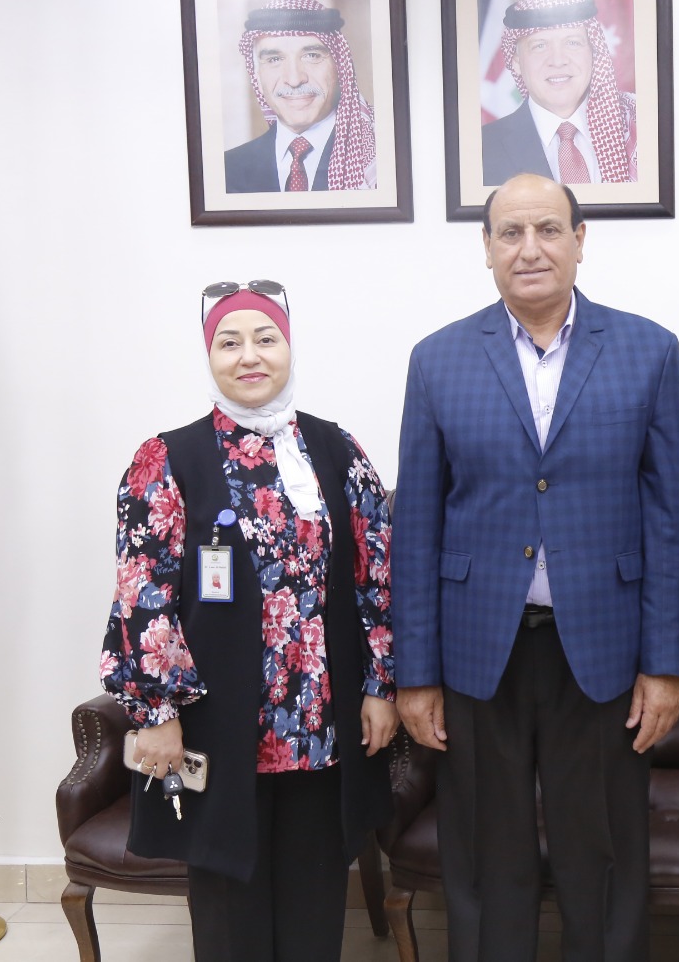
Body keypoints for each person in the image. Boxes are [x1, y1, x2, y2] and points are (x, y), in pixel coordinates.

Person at [392, 172, 679, 961]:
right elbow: (415, 526)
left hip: (603, 646)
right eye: (511, 233)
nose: (530, 249)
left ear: (580, 240)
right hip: (476, 650)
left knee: (604, 850)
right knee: (485, 852)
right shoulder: (438, 359)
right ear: (487, 248)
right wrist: (414, 675)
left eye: (549, 229)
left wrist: (667, 665)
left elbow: (672, 522)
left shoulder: (648, 350)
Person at [101, 280, 397, 962]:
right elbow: (142, 596)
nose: (249, 355)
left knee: (315, 907)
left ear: (289, 346)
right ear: (209, 356)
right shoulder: (167, 459)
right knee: (229, 919)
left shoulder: (337, 450)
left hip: (322, 727)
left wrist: (381, 684)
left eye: (265, 338)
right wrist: (157, 714)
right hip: (218, 726)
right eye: (229, 342)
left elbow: (378, 576)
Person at [481, 0, 638, 186]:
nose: (557, 61)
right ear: (516, 63)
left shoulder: (639, 127)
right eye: (540, 46)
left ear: (594, 53)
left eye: (572, 43)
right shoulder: (482, 149)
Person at [225, 0, 378, 193]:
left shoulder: (380, 156)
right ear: (257, 76)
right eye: (274, 59)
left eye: (312, 56)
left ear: (340, 67)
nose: (294, 79)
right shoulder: (227, 171)